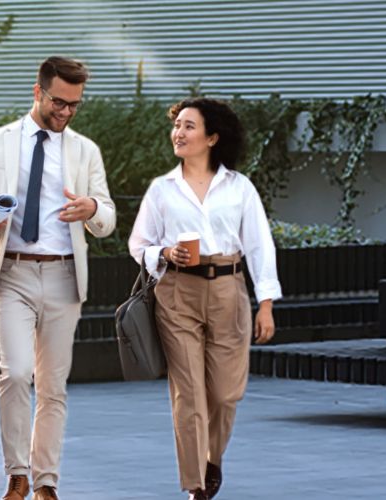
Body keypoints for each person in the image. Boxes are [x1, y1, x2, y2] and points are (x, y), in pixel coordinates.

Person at [0, 56, 116, 500]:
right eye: (58, 102)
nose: (65, 112)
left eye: (74, 105)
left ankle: (46, 482)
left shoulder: (85, 151)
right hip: (13, 273)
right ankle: (17, 474)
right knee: (16, 373)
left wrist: (92, 209)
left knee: (52, 386)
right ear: (37, 92)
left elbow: (107, 216)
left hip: (65, 276)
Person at [127, 97, 279, 500]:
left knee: (226, 394)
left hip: (229, 289)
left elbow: (259, 246)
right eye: (176, 125)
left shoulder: (239, 187)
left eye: (188, 126)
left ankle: (213, 459)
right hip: (177, 292)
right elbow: (138, 244)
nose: (178, 132)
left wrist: (266, 303)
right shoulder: (162, 190)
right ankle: (195, 484)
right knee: (189, 392)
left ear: (212, 137)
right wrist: (164, 252)